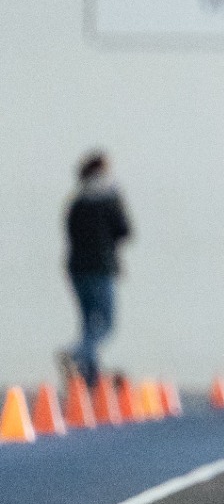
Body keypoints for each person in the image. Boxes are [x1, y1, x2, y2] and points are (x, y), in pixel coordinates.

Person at [58, 150, 131, 388]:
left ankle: (89, 377)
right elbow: (125, 230)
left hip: (77, 269)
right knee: (106, 324)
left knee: (88, 323)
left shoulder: (77, 202)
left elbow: (69, 232)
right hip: (101, 269)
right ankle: (76, 352)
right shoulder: (110, 199)